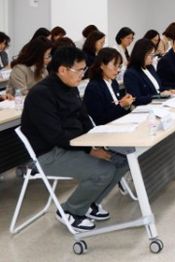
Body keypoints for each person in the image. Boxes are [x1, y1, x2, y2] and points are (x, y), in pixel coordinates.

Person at [21, 47, 128, 232]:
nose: (82, 74)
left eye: (83, 69)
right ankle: (70, 211)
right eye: (79, 70)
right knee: (103, 171)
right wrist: (89, 149)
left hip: (74, 145)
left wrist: (96, 141)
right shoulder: (41, 94)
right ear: (63, 70)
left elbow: (83, 118)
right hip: (49, 154)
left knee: (121, 160)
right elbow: (55, 136)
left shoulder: (70, 87)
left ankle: (90, 203)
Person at [83, 48, 135, 125]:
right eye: (114, 65)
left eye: (119, 66)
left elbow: (117, 111)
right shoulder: (94, 88)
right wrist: (121, 105)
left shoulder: (113, 82)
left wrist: (126, 105)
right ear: (102, 65)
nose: (117, 70)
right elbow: (100, 119)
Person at [124, 39, 170, 105]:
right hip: (146, 107)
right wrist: (158, 96)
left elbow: (158, 87)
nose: (152, 57)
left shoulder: (150, 67)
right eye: (150, 54)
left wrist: (169, 90)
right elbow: (136, 99)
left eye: (153, 54)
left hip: (159, 102)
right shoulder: (131, 73)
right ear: (141, 54)